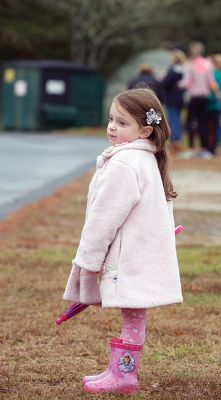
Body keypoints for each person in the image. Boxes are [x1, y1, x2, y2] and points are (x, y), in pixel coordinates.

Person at [63, 88, 183, 395]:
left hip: (127, 259)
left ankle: (124, 375)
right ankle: (119, 371)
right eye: (111, 119)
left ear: (144, 130)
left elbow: (103, 220)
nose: (111, 127)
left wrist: (88, 260)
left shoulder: (125, 163)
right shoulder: (146, 158)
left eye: (121, 122)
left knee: (132, 316)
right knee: (133, 317)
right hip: (138, 256)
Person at [180, 41, 218, 150]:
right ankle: (203, 148)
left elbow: (186, 82)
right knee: (203, 123)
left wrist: (176, 85)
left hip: (193, 97)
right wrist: (217, 94)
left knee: (191, 123)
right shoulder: (208, 64)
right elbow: (211, 82)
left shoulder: (189, 65)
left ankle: (191, 147)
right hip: (205, 97)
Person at [161, 49, 186, 153]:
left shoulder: (172, 70)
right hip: (180, 99)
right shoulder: (184, 70)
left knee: (173, 120)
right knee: (177, 120)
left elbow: (164, 82)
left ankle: (175, 142)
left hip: (171, 98)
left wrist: (163, 77)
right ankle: (177, 140)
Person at [206, 55, 221, 154]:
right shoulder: (219, 73)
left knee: (213, 126)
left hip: (213, 104)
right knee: (217, 125)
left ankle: (214, 145)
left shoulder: (214, 74)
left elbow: (215, 88)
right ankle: (217, 143)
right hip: (217, 104)